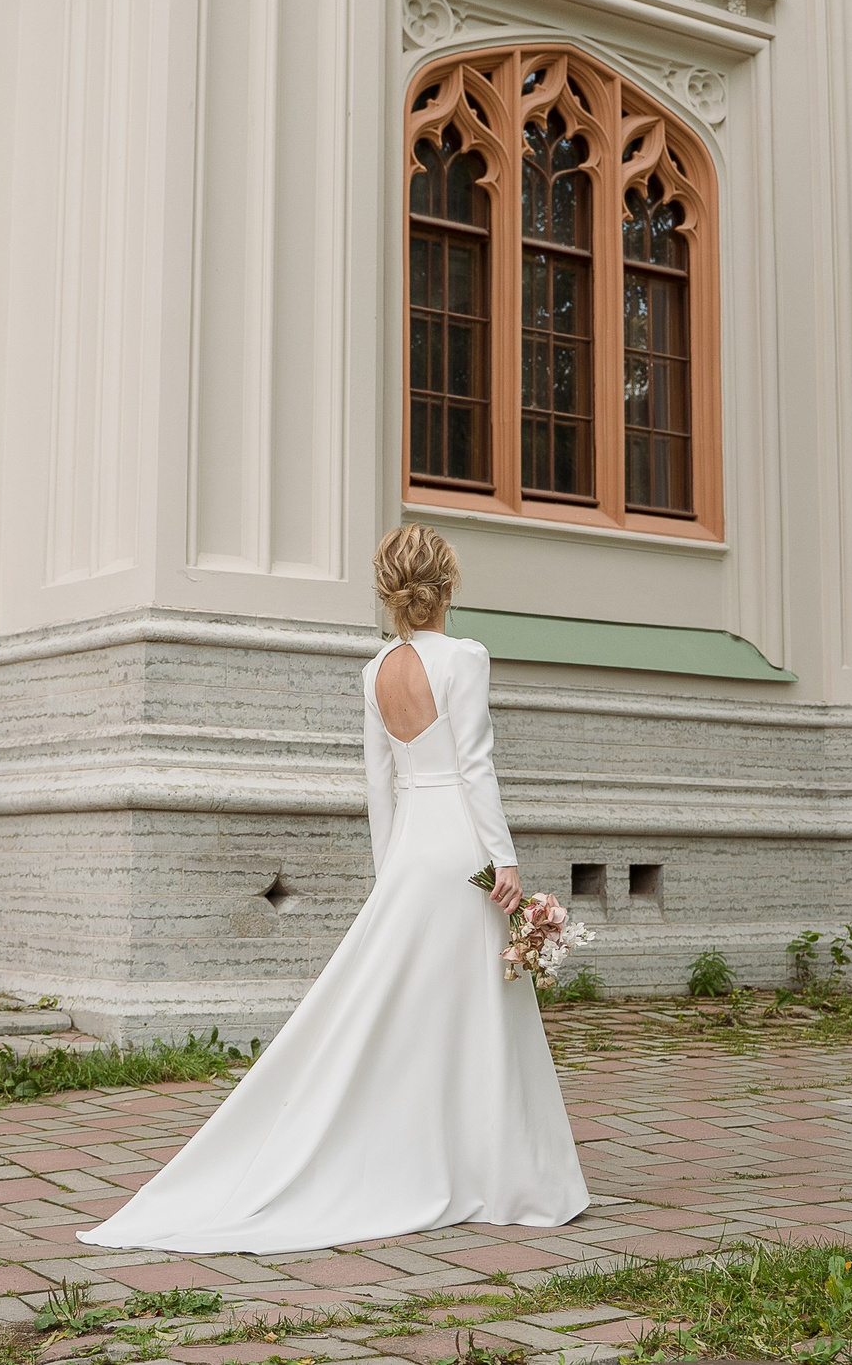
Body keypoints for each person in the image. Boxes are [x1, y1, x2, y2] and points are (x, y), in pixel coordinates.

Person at [75, 525, 590, 1252]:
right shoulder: (465, 658)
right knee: (478, 1003)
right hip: (461, 846)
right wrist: (503, 859)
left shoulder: (375, 670)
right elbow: (475, 765)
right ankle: (499, 1170)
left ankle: (428, 1156)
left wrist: (389, 873)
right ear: (448, 585)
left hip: (412, 850)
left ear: (388, 591)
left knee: (417, 1003)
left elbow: (378, 784)